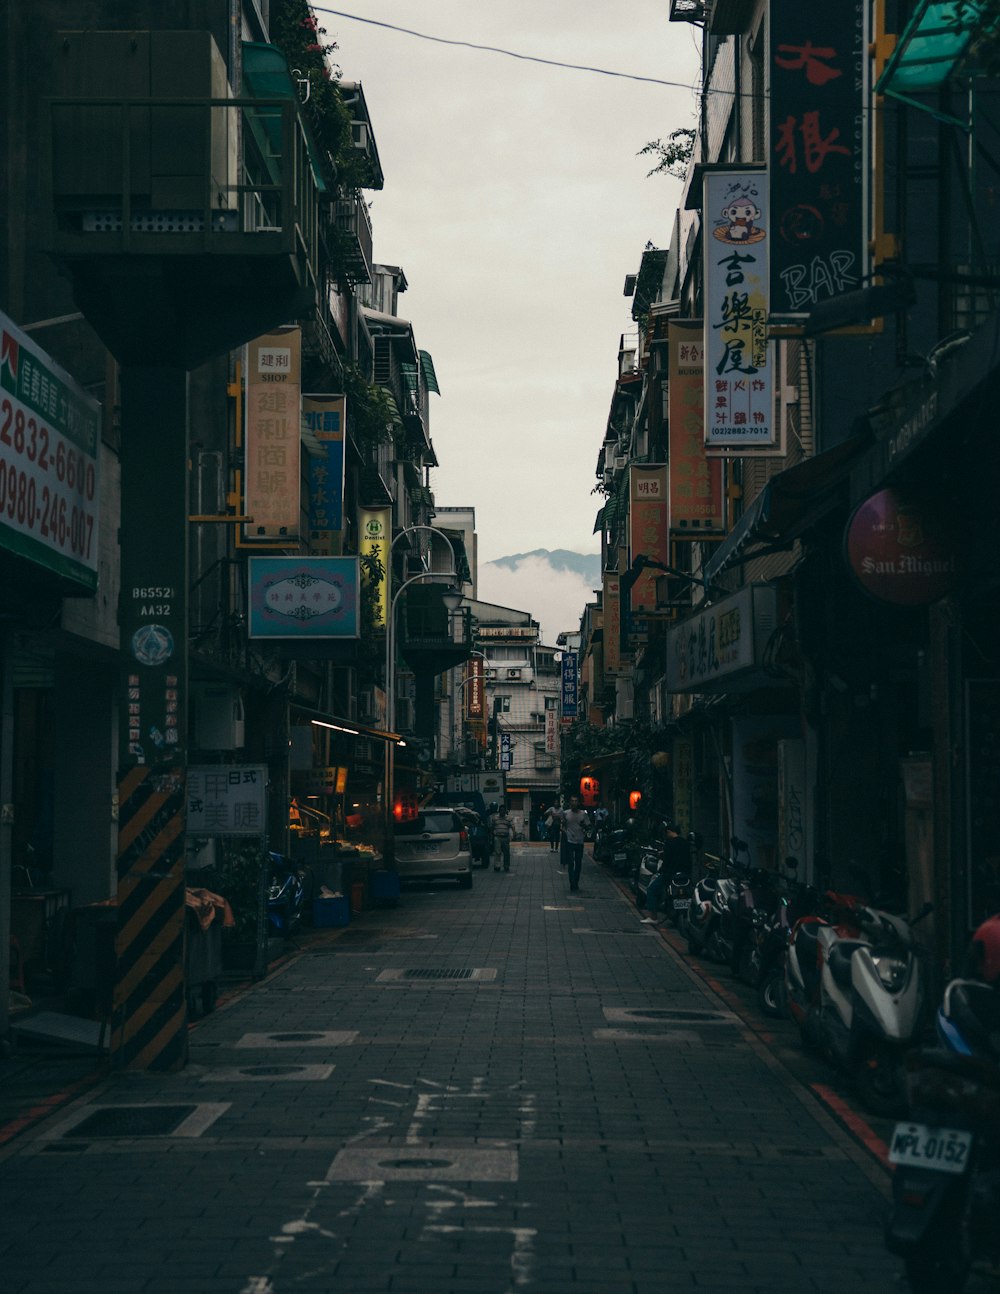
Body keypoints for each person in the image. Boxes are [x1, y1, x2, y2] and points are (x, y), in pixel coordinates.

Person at [549, 796, 591, 892]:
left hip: (580, 841)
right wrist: (566, 832)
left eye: (576, 801)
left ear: (578, 803)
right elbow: (562, 825)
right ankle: (572, 883)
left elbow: (588, 826)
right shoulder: (566, 813)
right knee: (571, 862)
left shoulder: (583, 814)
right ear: (570, 803)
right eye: (572, 801)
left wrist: (583, 826)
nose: (574, 803)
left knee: (578, 863)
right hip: (570, 841)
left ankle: (576, 881)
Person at [491, 804, 514, 873]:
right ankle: (497, 866)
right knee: (497, 852)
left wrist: (513, 834)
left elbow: (512, 826)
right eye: (501, 810)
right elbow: (492, 827)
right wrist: (492, 835)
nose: (502, 812)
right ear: (499, 811)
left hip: (505, 837)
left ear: (505, 811)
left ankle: (506, 866)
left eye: (503, 810)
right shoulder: (495, 818)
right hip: (497, 837)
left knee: (506, 852)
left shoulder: (509, 818)